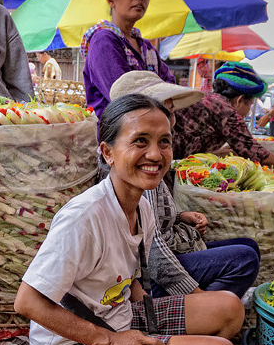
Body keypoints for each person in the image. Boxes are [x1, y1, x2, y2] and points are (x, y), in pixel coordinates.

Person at [14, 93, 242, 345]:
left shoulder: (141, 207)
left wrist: (153, 329)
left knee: (228, 308)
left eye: (164, 142)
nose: (155, 154)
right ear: (108, 152)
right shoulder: (83, 217)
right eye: (140, 141)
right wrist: (112, 343)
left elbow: (128, 278)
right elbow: (27, 302)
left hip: (116, 317)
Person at [109, 70, 263, 299]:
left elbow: (151, 219)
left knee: (249, 247)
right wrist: (197, 296)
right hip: (146, 274)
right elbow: (152, 250)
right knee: (244, 260)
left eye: (170, 112)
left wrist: (179, 216)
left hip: (168, 251)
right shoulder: (135, 170)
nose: (171, 120)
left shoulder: (153, 160)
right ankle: (192, 310)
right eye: (165, 111)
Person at [156, 62, 274, 176]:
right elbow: (255, 152)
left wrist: (216, 152)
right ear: (239, 100)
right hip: (160, 160)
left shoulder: (211, 99)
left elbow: (195, 135)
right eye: (250, 104)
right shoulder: (226, 112)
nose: (249, 110)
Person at [81, 0, 176, 117]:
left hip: (151, 128)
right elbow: (124, 98)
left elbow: (170, 86)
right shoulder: (103, 41)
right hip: (121, 132)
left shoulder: (147, 48)